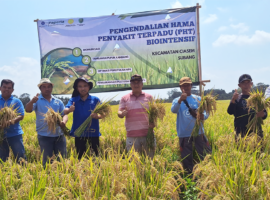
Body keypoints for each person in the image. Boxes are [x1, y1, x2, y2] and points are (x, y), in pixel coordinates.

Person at [171, 77, 211, 174]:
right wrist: (180, 100)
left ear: (191, 86)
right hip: (184, 133)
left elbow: (207, 112)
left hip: (199, 132)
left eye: (188, 85)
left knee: (205, 153)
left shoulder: (198, 98)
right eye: (183, 85)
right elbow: (174, 110)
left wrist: (203, 116)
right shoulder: (177, 100)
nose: (186, 87)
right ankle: (189, 176)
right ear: (180, 87)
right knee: (186, 156)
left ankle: (205, 172)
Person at [25, 78, 68, 166]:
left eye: (49, 87)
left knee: (62, 159)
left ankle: (61, 176)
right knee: (47, 160)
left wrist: (64, 122)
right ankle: (48, 176)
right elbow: (28, 110)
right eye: (44, 87)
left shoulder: (58, 101)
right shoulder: (37, 100)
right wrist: (32, 101)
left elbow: (64, 114)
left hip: (59, 135)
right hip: (44, 135)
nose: (47, 89)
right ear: (40, 89)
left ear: (52, 88)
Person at [118, 74, 155, 158]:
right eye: (134, 83)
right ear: (130, 85)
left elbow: (154, 113)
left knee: (150, 161)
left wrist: (154, 122)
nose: (136, 84)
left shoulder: (149, 97)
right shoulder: (125, 98)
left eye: (138, 82)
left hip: (148, 134)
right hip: (132, 136)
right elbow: (119, 113)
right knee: (134, 162)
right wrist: (121, 113)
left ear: (142, 84)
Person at [64, 77, 102, 159]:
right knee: (80, 156)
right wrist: (69, 109)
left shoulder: (95, 100)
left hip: (93, 132)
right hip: (79, 133)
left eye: (85, 86)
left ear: (89, 87)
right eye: (80, 86)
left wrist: (97, 116)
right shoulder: (74, 100)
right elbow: (65, 110)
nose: (83, 88)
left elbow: (104, 113)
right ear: (77, 88)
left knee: (95, 156)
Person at [227, 74, 267, 138]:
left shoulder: (257, 98)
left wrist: (262, 114)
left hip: (256, 132)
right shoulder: (236, 98)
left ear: (251, 84)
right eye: (243, 83)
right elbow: (230, 112)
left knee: (258, 147)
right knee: (240, 148)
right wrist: (233, 100)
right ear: (239, 85)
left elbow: (265, 114)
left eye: (248, 82)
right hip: (240, 132)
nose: (246, 85)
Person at [0, 79, 26, 162]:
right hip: (1, 135)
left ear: (12, 90)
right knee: (2, 159)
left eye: (9, 88)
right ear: (0, 88)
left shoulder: (17, 101)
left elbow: (21, 115)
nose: (6, 89)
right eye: (4, 87)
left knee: (20, 157)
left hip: (15, 134)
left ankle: (22, 173)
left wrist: (9, 122)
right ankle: (5, 174)